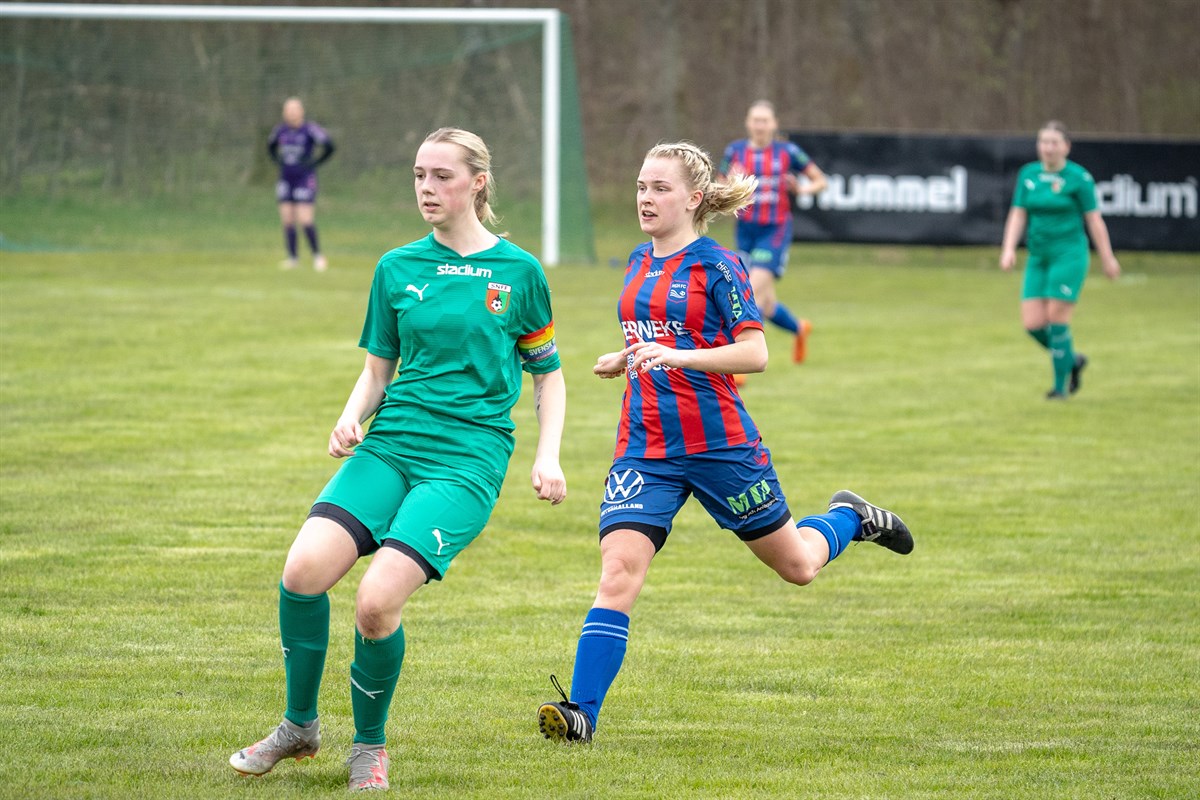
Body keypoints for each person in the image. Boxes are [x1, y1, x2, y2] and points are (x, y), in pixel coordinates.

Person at [535, 142, 912, 745]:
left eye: (659, 188)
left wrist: (675, 356)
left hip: (720, 447)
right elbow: (657, 336)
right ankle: (581, 714)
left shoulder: (719, 265)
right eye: (640, 186)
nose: (645, 198)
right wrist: (627, 358)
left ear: (694, 198)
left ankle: (849, 517)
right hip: (645, 448)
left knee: (798, 567)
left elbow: (755, 353)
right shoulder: (637, 260)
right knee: (618, 573)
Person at [230, 128, 567, 791]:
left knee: (376, 603)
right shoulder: (396, 267)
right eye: (418, 175)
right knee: (302, 571)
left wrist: (548, 455)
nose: (426, 188)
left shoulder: (520, 273)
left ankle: (369, 748)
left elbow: (548, 375)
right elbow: (378, 369)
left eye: (442, 176)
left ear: (477, 183)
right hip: (392, 443)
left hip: (466, 460)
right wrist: (350, 415)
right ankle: (299, 726)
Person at [1000, 121, 1121, 399]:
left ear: (1066, 146)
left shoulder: (1079, 178)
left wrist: (1107, 258)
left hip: (1069, 255)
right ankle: (1072, 360)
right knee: (1033, 325)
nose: (1048, 148)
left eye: (1054, 142)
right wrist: (1008, 249)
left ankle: (1059, 388)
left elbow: (1094, 219)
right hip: (1038, 256)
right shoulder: (1028, 174)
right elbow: (1018, 213)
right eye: (1044, 142)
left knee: (1056, 318)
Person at [719, 100, 827, 365]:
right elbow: (719, 187)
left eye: (765, 120)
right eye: (755, 120)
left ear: (774, 124)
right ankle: (799, 329)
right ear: (748, 123)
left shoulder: (788, 152)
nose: (760, 126)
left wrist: (801, 190)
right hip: (745, 231)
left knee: (747, 291)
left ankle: (739, 363)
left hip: (775, 230)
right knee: (766, 304)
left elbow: (820, 181)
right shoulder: (735, 151)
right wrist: (730, 184)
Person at [268, 97, 336, 271]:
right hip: (286, 179)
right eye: (288, 110)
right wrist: (278, 161)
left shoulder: (310, 130)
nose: (291, 113)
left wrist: (315, 162)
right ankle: (293, 258)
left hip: (304, 179)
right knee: (287, 219)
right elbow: (270, 147)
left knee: (305, 219)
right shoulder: (280, 131)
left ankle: (317, 256)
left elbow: (329, 145)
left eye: (294, 109)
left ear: (301, 111)